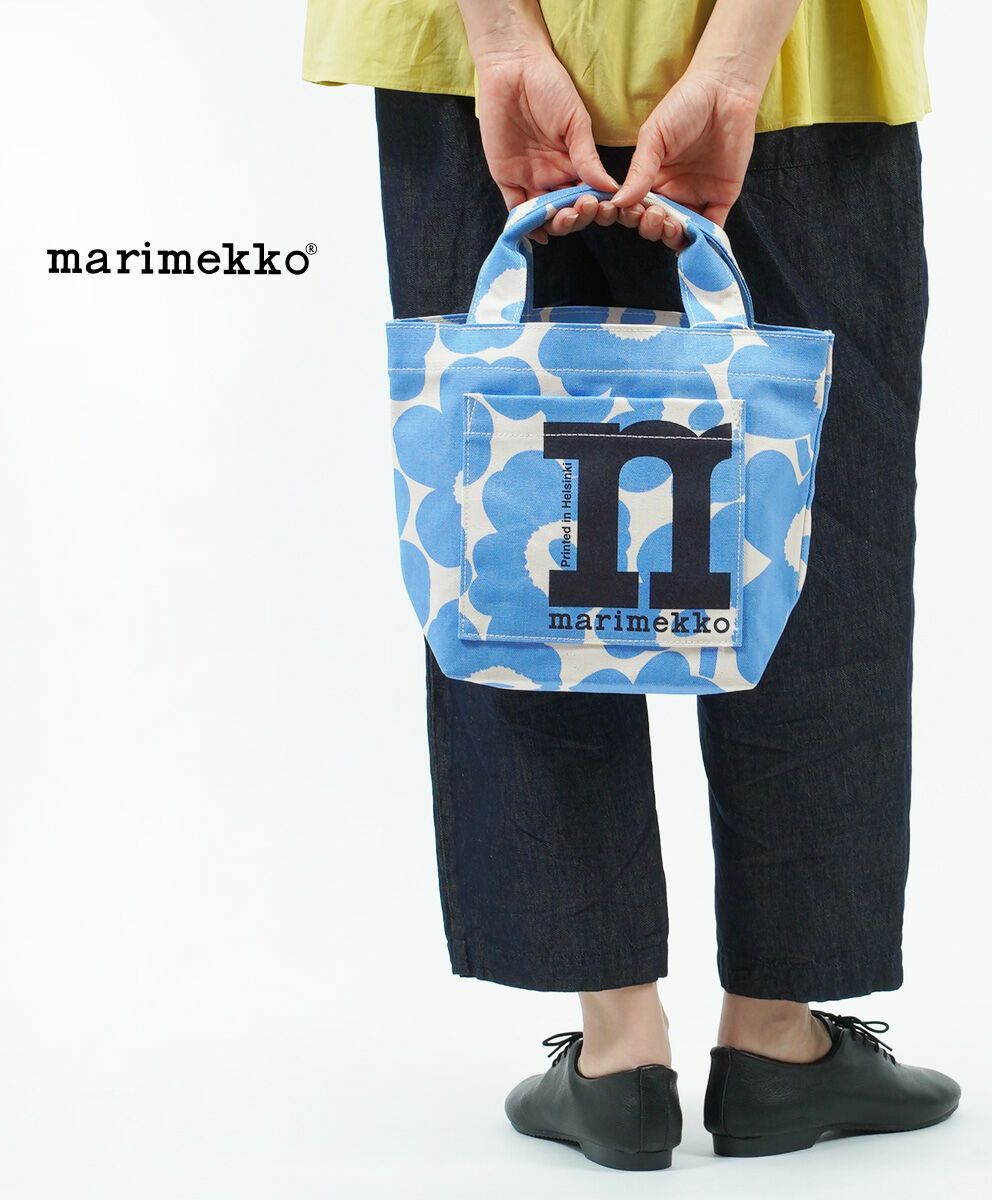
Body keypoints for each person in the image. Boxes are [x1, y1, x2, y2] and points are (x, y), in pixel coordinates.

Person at [304, 0, 960, 1170]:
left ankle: (617, 1056)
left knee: (511, 539)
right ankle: (778, 1042)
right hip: (798, 62)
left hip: (471, 62)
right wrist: (734, 66)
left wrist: (506, 45)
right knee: (811, 519)